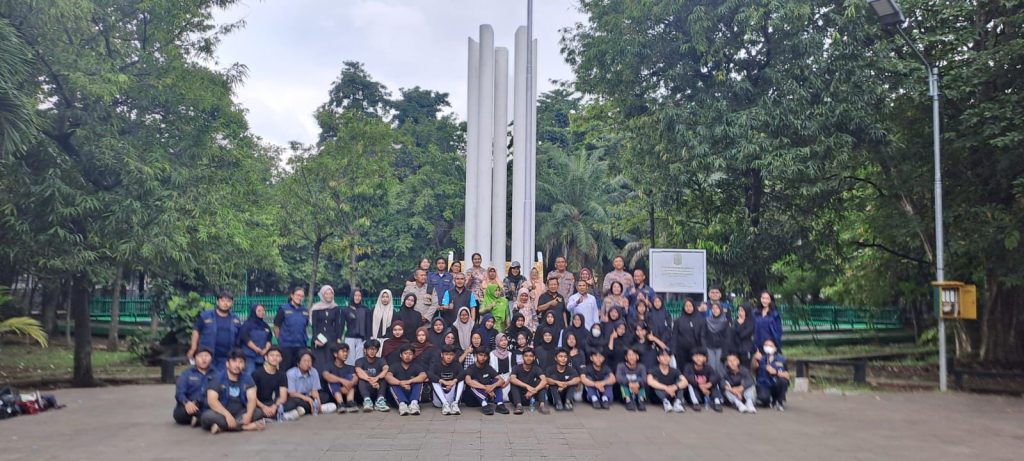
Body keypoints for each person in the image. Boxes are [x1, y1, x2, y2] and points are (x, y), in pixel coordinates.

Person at [200, 349, 265, 433]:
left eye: (240, 362)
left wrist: (249, 415)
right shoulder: (217, 378)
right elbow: (212, 401)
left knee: (258, 412)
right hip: (222, 413)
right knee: (206, 416)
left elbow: (252, 399)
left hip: (240, 413)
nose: (237, 365)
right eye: (234, 361)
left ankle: (223, 427)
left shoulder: (247, 378)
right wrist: (227, 415)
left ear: (244, 365)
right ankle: (244, 427)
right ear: (227, 364)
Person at [187, 291, 241, 374]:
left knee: (222, 378)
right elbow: (196, 331)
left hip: (226, 356)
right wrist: (193, 348)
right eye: (222, 301)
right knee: (205, 376)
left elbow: (239, 337)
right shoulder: (206, 316)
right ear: (217, 302)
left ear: (232, 303)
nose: (225, 303)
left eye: (228, 301)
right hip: (207, 355)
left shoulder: (235, 319)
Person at [251, 347, 302, 421]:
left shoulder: (282, 374)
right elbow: (252, 396)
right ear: (266, 358)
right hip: (260, 404)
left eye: (277, 356)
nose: (274, 358)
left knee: (294, 401)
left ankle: (274, 415)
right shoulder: (256, 374)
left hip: (275, 403)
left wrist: (275, 406)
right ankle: (281, 415)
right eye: (272, 355)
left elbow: (283, 397)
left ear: (281, 359)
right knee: (256, 411)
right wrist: (263, 407)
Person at [173, 347, 215, 426]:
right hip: (191, 405)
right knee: (179, 414)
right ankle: (205, 420)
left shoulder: (216, 374)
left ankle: (199, 420)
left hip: (209, 406)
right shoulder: (187, 373)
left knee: (213, 412)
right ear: (194, 358)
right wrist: (187, 403)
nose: (204, 359)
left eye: (206, 356)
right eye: (200, 356)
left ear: (211, 358)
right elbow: (180, 392)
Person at [310, 285, 343, 382]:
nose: (329, 296)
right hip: (318, 339)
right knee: (318, 363)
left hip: (331, 339)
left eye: (331, 293)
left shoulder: (336, 308)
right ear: (322, 294)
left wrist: (338, 338)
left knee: (330, 362)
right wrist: (316, 339)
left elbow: (338, 325)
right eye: (326, 293)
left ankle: (330, 385)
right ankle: (318, 385)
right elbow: (314, 325)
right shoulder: (316, 308)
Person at [385, 344, 428, 416]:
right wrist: (400, 383)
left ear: (413, 356)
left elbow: (424, 375)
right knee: (393, 383)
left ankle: (414, 404)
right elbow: (388, 377)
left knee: (419, 382)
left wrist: (409, 381)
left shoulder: (416, 366)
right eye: (405, 353)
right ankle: (402, 405)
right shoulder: (395, 366)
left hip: (412, 394)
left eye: (410, 354)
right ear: (401, 355)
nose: (407, 356)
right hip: (397, 397)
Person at [464, 348, 510, 415]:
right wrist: (486, 388)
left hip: (486, 397)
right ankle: (484, 405)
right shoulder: (471, 368)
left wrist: (492, 386)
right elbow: (468, 381)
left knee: (496, 381)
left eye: (485, 356)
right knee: (474, 382)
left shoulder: (488, 368)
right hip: (472, 400)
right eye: (480, 355)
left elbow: (502, 381)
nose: (483, 358)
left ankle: (500, 404)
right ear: (476, 356)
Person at [287, 350, 332, 416]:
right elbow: (292, 393)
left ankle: (306, 409)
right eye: (305, 361)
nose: (307, 363)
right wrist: (308, 399)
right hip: (298, 397)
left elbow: (314, 390)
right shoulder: (291, 373)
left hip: (309, 395)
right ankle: (312, 408)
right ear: (298, 363)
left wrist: (318, 402)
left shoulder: (314, 371)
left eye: (309, 361)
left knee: (325, 396)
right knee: (294, 401)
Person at [274, 287, 309, 371]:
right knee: (285, 370)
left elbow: (305, 326)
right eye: (298, 295)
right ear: (292, 295)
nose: (299, 297)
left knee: (299, 370)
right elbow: (276, 326)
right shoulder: (283, 309)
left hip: (301, 346)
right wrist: (280, 340)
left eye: (302, 296)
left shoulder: (305, 310)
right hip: (286, 346)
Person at [508, 348, 549, 414]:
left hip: (529, 396)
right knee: (513, 383)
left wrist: (534, 390)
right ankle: (519, 406)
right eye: (526, 356)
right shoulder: (516, 367)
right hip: (517, 396)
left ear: (534, 358)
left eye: (531, 356)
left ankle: (542, 406)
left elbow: (544, 381)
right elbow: (512, 379)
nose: (528, 358)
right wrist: (527, 386)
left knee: (540, 382)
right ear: (522, 357)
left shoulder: (536, 368)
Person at [646, 348, 687, 413]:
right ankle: (665, 402)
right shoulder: (653, 370)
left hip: (672, 395)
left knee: (680, 382)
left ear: (670, 358)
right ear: (658, 358)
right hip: (657, 397)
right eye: (663, 356)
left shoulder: (675, 370)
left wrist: (674, 387)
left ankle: (678, 403)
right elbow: (649, 381)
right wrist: (666, 388)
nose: (665, 358)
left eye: (668, 356)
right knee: (655, 383)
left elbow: (685, 382)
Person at [753, 339, 789, 411]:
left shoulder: (781, 359)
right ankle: (768, 400)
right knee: (763, 399)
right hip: (763, 384)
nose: (768, 347)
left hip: (776, 383)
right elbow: (753, 369)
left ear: (775, 348)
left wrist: (775, 372)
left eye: (770, 345)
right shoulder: (761, 357)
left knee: (783, 381)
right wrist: (754, 358)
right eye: (766, 345)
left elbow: (787, 375)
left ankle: (779, 401)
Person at [322, 344, 360, 413]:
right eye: (343, 351)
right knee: (333, 379)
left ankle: (350, 402)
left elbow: (356, 378)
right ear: (335, 354)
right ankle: (340, 404)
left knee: (350, 377)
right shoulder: (328, 366)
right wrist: (342, 381)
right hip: (334, 395)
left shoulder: (350, 367)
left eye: (346, 352)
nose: (345, 354)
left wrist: (350, 384)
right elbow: (326, 376)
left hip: (348, 391)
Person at [355, 339, 390, 412]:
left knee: (383, 378)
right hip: (365, 390)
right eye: (370, 349)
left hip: (378, 388)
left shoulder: (381, 360)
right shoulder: (359, 361)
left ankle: (380, 401)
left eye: (374, 349)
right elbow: (359, 371)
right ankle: (367, 401)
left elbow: (386, 368)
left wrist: (377, 378)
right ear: (365, 350)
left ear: (377, 350)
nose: (372, 351)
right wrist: (371, 381)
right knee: (361, 379)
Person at [682, 348, 723, 412]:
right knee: (689, 384)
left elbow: (715, 376)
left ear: (705, 358)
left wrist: (709, 384)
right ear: (692, 357)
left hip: (706, 391)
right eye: (696, 356)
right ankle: (695, 403)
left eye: (701, 356)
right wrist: (700, 386)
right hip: (693, 393)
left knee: (714, 383)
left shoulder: (708, 367)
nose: (698, 358)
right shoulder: (688, 367)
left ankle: (717, 402)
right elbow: (688, 377)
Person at [429, 344, 465, 415]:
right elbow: (430, 374)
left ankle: (455, 404)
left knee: (461, 380)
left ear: (454, 355)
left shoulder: (456, 363)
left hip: (451, 397)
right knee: (434, 380)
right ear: (442, 355)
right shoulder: (436, 364)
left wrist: (453, 382)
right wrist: (443, 382)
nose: (449, 357)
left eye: (451, 355)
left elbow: (462, 374)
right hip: (439, 400)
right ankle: (445, 404)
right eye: (446, 354)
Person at [238, 303, 272, 378]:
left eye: (263, 310)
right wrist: (256, 348)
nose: (262, 312)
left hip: (261, 357)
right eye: (259, 311)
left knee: (260, 376)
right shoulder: (247, 324)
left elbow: (269, 339)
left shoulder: (265, 326)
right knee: (250, 375)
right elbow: (245, 338)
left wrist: (265, 350)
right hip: (249, 356)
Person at [672, 298, 706, 371]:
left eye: (690, 306)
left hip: (696, 350)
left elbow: (702, 335)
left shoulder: (700, 320)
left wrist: (703, 348)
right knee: (682, 369)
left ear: (693, 306)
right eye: (686, 306)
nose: (688, 308)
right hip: (681, 351)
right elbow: (674, 336)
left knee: (695, 368)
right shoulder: (678, 320)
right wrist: (674, 350)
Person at [703, 302, 733, 377]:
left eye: (717, 308)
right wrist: (705, 346)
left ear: (721, 309)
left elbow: (728, 337)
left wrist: (725, 351)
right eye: (713, 308)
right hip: (709, 347)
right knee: (711, 367)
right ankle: (712, 383)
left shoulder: (725, 322)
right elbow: (703, 335)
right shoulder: (707, 320)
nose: (715, 310)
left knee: (720, 368)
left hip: (721, 348)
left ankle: (722, 383)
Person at [342, 289, 371, 365]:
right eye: (355, 295)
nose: (357, 297)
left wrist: (368, 339)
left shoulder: (365, 309)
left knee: (360, 360)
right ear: (352, 296)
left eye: (359, 296)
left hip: (361, 339)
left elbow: (368, 325)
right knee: (349, 360)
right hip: (350, 338)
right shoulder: (346, 310)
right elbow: (341, 325)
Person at [616, 347, 648, 411]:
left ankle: (641, 401)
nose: (631, 357)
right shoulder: (621, 366)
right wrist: (629, 383)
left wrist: (637, 384)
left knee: (640, 381)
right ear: (626, 357)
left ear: (637, 357)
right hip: (625, 393)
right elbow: (618, 378)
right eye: (629, 355)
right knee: (623, 381)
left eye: (634, 355)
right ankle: (628, 401)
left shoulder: (641, 367)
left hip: (638, 389)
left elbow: (644, 379)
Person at [753, 291, 783, 355]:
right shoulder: (755, 313)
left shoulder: (775, 314)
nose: (765, 300)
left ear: (770, 300)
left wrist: (773, 344)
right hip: (757, 345)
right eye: (763, 298)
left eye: (767, 298)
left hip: (770, 345)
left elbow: (779, 331)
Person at [489, 333, 514, 399]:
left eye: (505, 340)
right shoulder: (492, 354)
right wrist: (500, 381)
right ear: (497, 342)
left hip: (508, 379)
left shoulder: (510, 354)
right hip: (496, 378)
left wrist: (507, 382)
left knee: (508, 397)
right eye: (501, 340)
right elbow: (492, 370)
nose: (504, 342)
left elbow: (512, 370)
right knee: (499, 398)